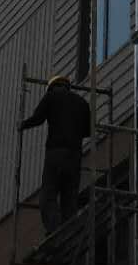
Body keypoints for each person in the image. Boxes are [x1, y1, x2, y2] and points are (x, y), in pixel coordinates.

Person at [18, 75, 91, 235]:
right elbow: (88, 131)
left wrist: (23, 124)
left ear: (52, 87)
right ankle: (70, 232)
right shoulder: (82, 103)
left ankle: (55, 230)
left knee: (48, 196)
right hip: (75, 156)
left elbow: (38, 118)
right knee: (69, 197)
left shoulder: (51, 97)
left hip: (56, 153)